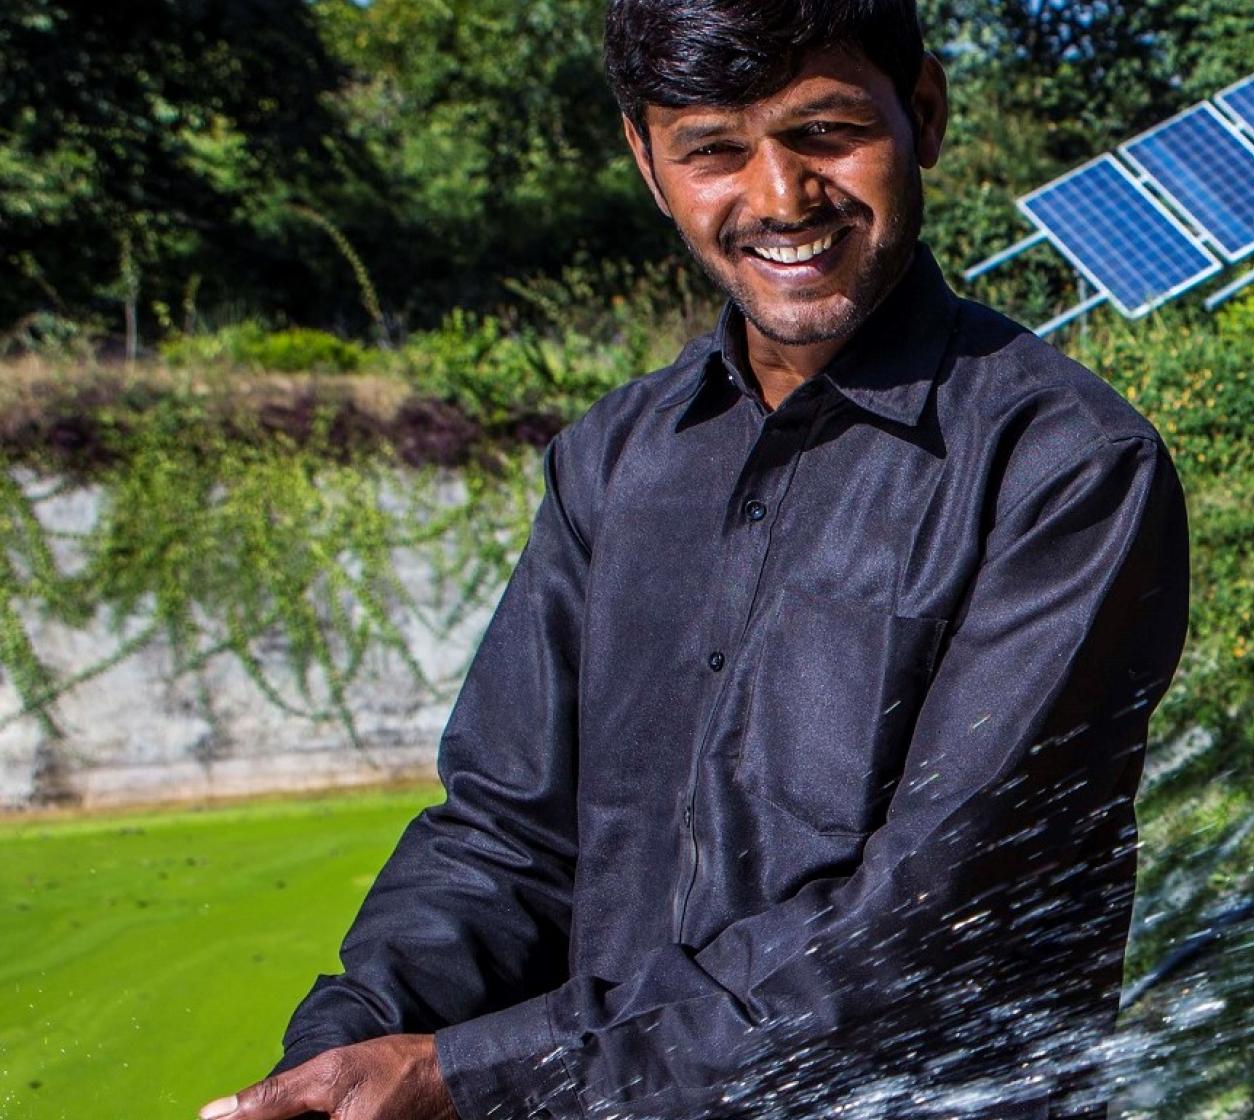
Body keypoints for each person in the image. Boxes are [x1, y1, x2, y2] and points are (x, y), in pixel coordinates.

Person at [197, 1, 1190, 1117]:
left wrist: (468, 1076)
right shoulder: (614, 460)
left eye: (822, 132)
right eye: (715, 149)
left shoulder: (1064, 469)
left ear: (922, 111)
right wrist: (338, 1053)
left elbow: (924, 919)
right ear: (646, 160)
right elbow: (505, 835)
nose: (778, 198)